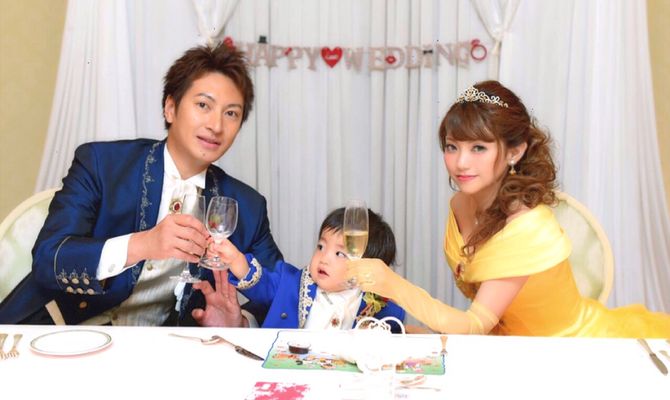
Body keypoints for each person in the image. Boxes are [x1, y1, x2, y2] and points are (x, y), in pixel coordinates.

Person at [346, 80, 670, 337]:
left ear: (515, 151)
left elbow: (475, 323)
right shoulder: (460, 203)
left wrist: (392, 284)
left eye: (478, 148)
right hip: (508, 343)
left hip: (567, 348)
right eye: (452, 146)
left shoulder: (529, 227)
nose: (460, 163)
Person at [0, 42, 283, 325]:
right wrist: (143, 244)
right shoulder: (102, 164)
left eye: (231, 113)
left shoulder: (247, 207)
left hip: (162, 349)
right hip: (59, 331)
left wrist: (241, 322)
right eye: (203, 105)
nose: (216, 125)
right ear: (170, 108)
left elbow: (286, 296)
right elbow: (49, 258)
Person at [191, 207, 406, 332]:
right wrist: (236, 259)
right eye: (321, 247)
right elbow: (261, 282)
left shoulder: (378, 307)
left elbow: (394, 339)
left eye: (340, 254)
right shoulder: (290, 283)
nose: (324, 258)